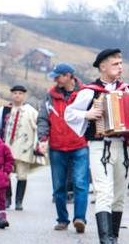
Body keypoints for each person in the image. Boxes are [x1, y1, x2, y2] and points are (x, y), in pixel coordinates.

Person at [66, 49, 129, 244]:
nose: (120, 67)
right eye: (116, 64)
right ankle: (104, 240)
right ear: (103, 67)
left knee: (119, 194)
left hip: (124, 147)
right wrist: (87, 114)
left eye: (121, 63)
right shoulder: (90, 91)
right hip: (100, 145)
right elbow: (69, 113)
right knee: (104, 191)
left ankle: (114, 237)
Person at [35, 63, 89, 232]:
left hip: (80, 145)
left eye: (58, 76)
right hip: (57, 147)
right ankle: (62, 219)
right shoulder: (50, 96)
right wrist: (42, 138)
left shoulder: (85, 93)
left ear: (68, 75)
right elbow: (43, 119)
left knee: (80, 183)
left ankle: (79, 218)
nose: (55, 80)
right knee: (59, 186)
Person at [0, 84, 41, 211]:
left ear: (24, 95)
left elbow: (38, 126)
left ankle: (19, 201)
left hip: (24, 148)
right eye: (15, 93)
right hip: (6, 148)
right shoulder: (4, 110)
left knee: (22, 175)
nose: (17, 95)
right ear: (11, 94)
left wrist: (37, 143)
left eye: (20, 93)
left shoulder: (31, 111)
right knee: (5, 174)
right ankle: (8, 198)